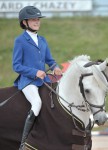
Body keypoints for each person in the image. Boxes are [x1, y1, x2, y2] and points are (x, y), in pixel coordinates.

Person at [12, 6, 62, 150]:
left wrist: (55, 67)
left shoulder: (43, 40)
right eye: (33, 19)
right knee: (37, 103)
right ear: (24, 22)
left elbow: (50, 60)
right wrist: (35, 72)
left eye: (38, 19)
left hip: (43, 80)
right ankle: (24, 143)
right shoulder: (20, 41)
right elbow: (16, 66)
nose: (37, 22)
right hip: (28, 81)